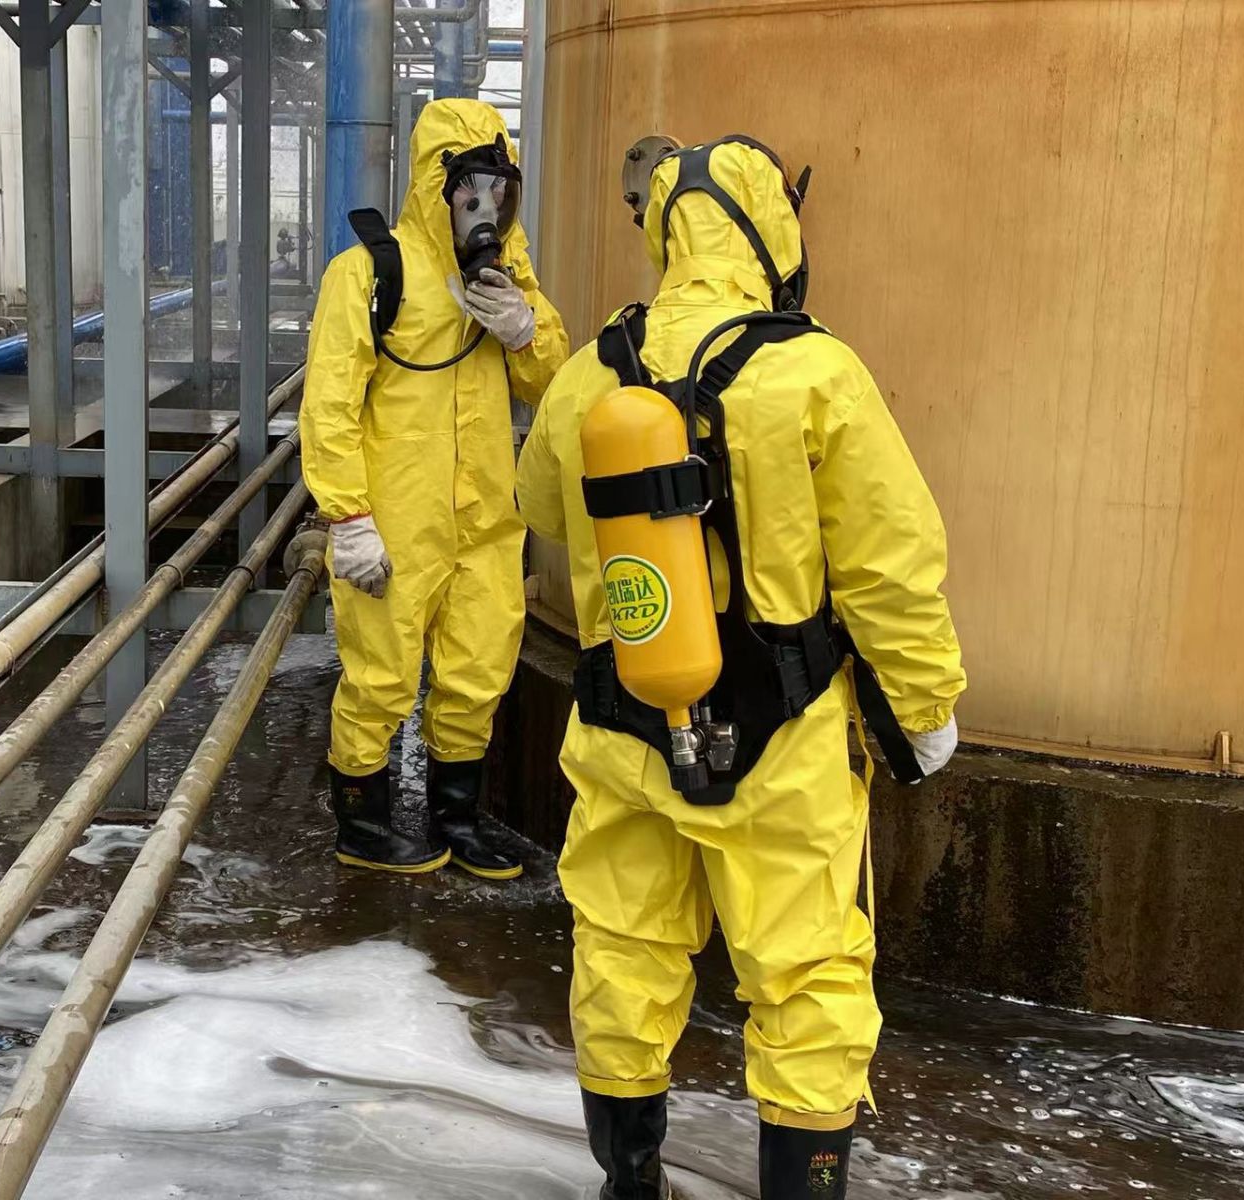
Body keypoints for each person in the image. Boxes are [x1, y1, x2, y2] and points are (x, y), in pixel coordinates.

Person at [515, 137, 965, 1198]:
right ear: (773, 233)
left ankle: (630, 1183)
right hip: (783, 734)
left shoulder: (591, 370)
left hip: (624, 717)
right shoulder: (814, 370)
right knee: (806, 978)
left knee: (622, 950)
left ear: (663, 233)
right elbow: (889, 565)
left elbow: (540, 507)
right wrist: (925, 704)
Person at [300, 98, 568, 879]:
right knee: (380, 677)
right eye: (469, 190)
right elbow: (329, 406)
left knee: (477, 671)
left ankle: (457, 820)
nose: (483, 208)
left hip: (485, 525)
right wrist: (348, 516)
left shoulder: (507, 274)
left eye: (498, 191)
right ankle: (363, 824)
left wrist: (525, 330)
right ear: (435, 184)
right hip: (394, 521)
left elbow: (554, 386)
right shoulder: (368, 274)